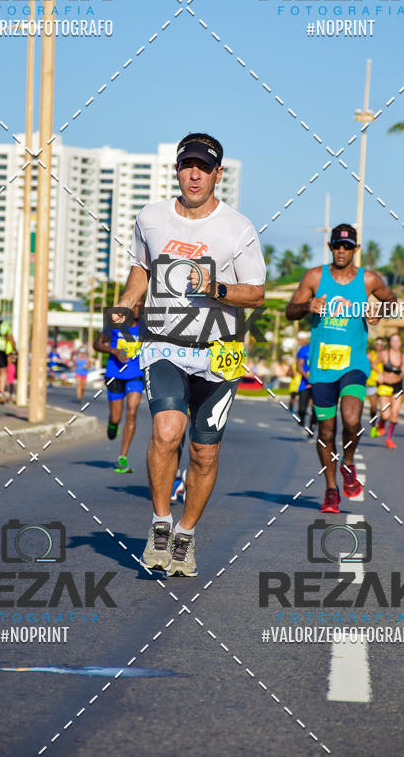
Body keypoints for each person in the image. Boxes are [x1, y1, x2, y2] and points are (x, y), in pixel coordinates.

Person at [112, 132, 265, 577]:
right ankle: (161, 524)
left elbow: (256, 294)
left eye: (204, 167)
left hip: (220, 350)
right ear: (177, 170)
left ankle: (186, 535)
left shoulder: (238, 228)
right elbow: (141, 269)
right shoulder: (151, 218)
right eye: (187, 165)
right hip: (165, 343)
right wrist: (127, 302)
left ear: (219, 174)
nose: (194, 174)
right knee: (165, 430)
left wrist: (214, 288)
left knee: (204, 454)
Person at [286, 223, 397, 513]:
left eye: (347, 247)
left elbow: (392, 300)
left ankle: (348, 463)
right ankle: (331, 490)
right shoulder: (314, 277)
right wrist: (308, 306)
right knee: (325, 431)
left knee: (350, 420)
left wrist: (379, 312)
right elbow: (290, 311)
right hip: (322, 366)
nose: (341, 251)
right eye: (337, 245)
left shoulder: (368, 280)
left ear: (356, 249)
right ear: (331, 246)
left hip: (354, 364)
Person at [93, 298, 145, 474]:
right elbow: (97, 344)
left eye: (141, 305)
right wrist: (114, 351)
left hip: (136, 375)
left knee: (132, 411)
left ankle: (122, 457)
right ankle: (112, 423)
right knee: (116, 417)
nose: (137, 308)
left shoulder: (147, 327)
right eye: (135, 305)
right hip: (114, 374)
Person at [376, 332, 404, 449]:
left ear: (400, 343)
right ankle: (381, 422)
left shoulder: (403, 357)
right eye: (393, 341)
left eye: (397, 341)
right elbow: (374, 364)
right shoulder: (384, 354)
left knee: (394, 415)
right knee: (385, 415)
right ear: (390, 342)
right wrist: (379, 373)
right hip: (385, 385)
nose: (395, 343)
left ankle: (389, 439)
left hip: (397, 387)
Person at [295, 332, 315, 439]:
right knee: (302, 408)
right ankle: (301, 417)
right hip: (305, 383)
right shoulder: (303, 349)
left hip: (318, 384)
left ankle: (312, 427)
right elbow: (299, 367)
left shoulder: (322, 348)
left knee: (316, 409)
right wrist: (308, 379)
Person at [366, 337, 384, 437]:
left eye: (381, 343)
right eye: (377, 343)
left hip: (383, 384)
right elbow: (370, 364)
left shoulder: (385, 355)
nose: (379, 345)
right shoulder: (370, 355)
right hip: (372, 382)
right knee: (373, 407)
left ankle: (381, 424)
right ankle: (373, 426)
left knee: (383, 408)